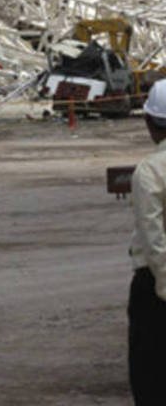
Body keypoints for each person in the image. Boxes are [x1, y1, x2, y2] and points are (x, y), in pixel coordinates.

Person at [128, 80, 166, 405]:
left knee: (151, 376)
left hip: (156, 288)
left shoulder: (150, 172)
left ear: (149, 123)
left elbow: (155, 240)